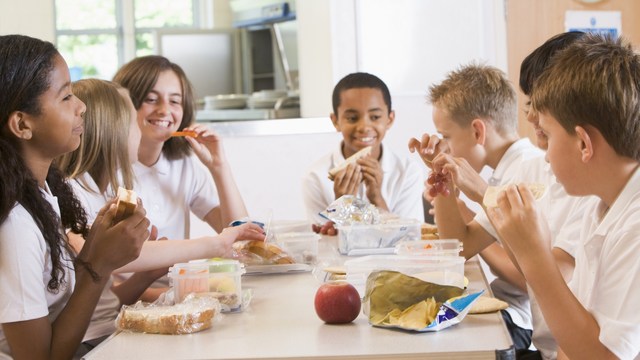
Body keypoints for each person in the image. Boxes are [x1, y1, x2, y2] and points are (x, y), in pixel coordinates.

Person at [56, 78, 264, 352]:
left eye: (175, 100)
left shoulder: (102, 190)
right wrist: (216, 244)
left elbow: (105, 296)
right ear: (113, 131)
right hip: (92, 340)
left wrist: (146, 277)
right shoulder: (73, 191)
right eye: (134, 122)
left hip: (109, 330)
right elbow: (94, 255)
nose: (140, 131)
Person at [487, 33, 640, 360]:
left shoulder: (635, 227)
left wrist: (534, 254)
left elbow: (604, 356)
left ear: (584, 144)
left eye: (550, 134)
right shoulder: (600, 208)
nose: (545, 156)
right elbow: (572, 341)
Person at [0, 34, 149, 359]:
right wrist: (98, 264)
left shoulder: (43, 195)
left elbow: (67, 309)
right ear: (22, 124)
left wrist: (96, 249)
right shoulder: (14, 226)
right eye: (66, 97)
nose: (81, 107)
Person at [408, 63, 543, 351]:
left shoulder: (527, 169)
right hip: (507, 307)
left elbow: (527, 279)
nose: (444, 145)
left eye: (446, 136)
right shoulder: (504, 170)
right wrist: (442, 180)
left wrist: (483, 201)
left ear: (477, 131)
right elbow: (460, 245)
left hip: (522, 321)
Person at [113, 56, 251, 300]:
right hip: (127, 304)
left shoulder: (183, 164)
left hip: (179, 296)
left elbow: (238, 233)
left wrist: (219, 167)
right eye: (151, 99)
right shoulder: (104, 171)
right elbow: (103, 284)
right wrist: (179, 294)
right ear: (124, 105)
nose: (165, 110)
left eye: (175, 101)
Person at [302, 72, 423, 234]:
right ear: (335, 121)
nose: (364, 127)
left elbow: (411, 240)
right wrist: (343, 206)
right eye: (352, 118)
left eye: (375, 117)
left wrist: (377, 198)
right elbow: (323, 245)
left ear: (390, 119)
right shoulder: (316, 177)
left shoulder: (408, 172)